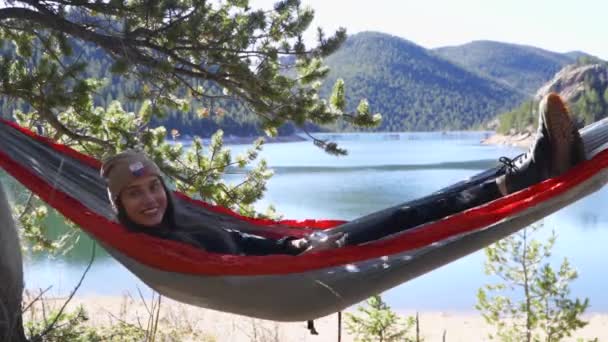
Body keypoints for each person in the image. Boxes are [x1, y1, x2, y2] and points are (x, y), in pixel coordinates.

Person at [100, 93, 585, 255]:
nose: (150, 200)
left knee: (432, 202)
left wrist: (289, 240)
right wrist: (297, 251)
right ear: (117, 205)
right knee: (419, 212)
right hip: (307, 265)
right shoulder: (158, 246)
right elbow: (233, 268)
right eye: (135, 195)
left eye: (153, 187)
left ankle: (530, 171)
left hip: (302, 251)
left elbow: (243, 244)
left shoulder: (177, 223)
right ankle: (531, 170)